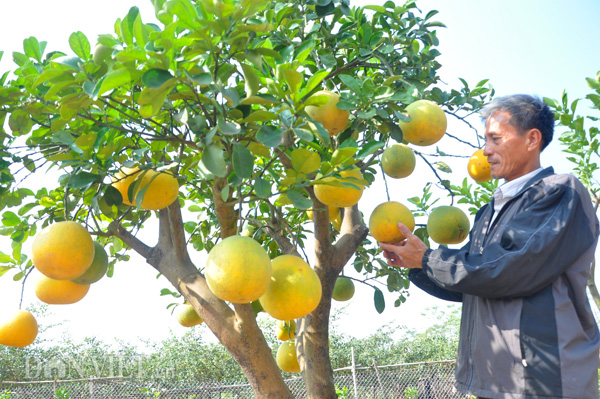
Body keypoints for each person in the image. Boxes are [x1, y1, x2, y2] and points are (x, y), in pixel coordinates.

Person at [380, 94, 600, 399]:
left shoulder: (559, 191)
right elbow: (475, 283)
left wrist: (429, 259)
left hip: (543, 381)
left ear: (531, 139)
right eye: (485, 140)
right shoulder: (489, 212)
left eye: (495, 139)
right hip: (494, 381)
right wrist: (417, 264)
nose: (486, 151)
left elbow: (509, 269)